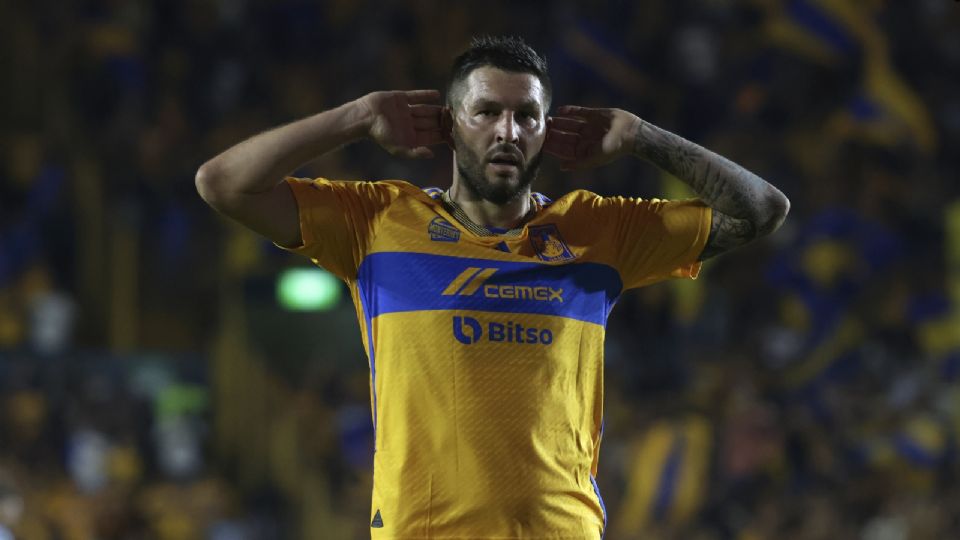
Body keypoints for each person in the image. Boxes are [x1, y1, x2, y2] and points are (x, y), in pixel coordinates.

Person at [195, 35, 789, 540]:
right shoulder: (377, 222)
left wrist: (640, 136)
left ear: (545, 130)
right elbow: (223, 183)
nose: (508, 130)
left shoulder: (598, 229)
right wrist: (358, 115)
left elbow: (761, 210)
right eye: (486, 112)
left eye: (526, 116)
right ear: (451, 124)